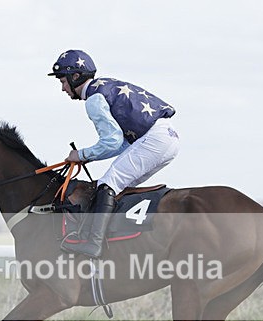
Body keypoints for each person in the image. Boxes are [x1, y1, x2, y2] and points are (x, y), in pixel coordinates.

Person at [48, 49, 180, 258]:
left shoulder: (93, 99)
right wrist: (87, 156)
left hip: (154, 138)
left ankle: (93, 244)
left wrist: (80, 155)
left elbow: (112, 142)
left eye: (63, 81)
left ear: (76, 77)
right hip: (168, 139)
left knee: (107, 184)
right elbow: (122, 144)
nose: (63, 88)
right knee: (118, 187)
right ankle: (118, 241)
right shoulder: (105, 86)